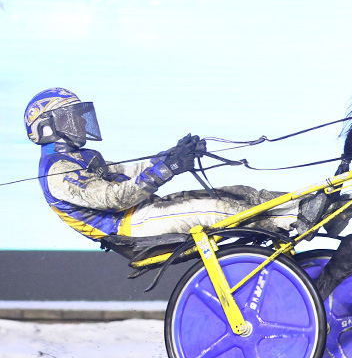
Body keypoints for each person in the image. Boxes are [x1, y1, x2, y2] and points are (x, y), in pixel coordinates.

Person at [24, 88, 329, 244]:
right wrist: (167, 169)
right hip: (130, 227)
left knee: (238, 193)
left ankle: (314, 206)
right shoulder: (57, 170)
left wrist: (170, 155)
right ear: (48, 126)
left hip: (144, 212)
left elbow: (128, 171)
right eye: (71, 116)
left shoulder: (82, 157)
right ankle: (294, 220)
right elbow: (114, 198)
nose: (79, 121)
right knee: (216, 211)